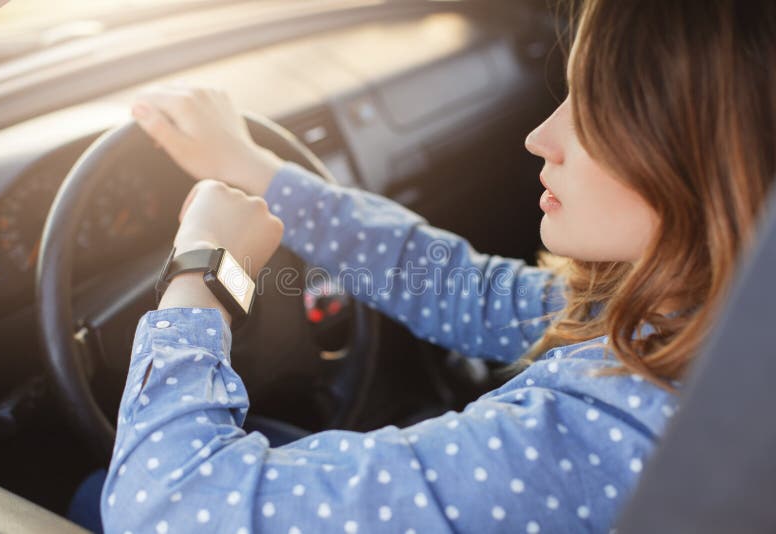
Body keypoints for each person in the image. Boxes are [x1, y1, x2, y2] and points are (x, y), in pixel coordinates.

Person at [98, 0, 776, 532]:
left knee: (82, 489)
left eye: (599, 114)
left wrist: (205, 272)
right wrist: (259, 175)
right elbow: (470, 291)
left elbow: (167, 507)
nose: (541, 137)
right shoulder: (687, 315)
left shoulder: (599, 438)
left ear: (708, 162)